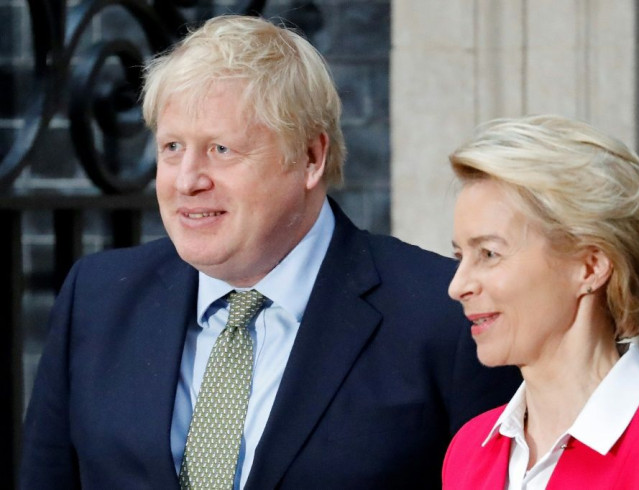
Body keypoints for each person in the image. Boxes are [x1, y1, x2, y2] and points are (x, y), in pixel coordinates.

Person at [20, 14, 520, 490]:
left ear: (309, 157)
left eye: (222, 149)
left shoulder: (445, 313)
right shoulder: (98, 297)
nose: (188, 180)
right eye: (173, 147)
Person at [442, 114, 639, 489]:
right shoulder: (469, 449)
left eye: (488, 254)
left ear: (590, 266)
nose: (458, 285)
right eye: (459, 257)